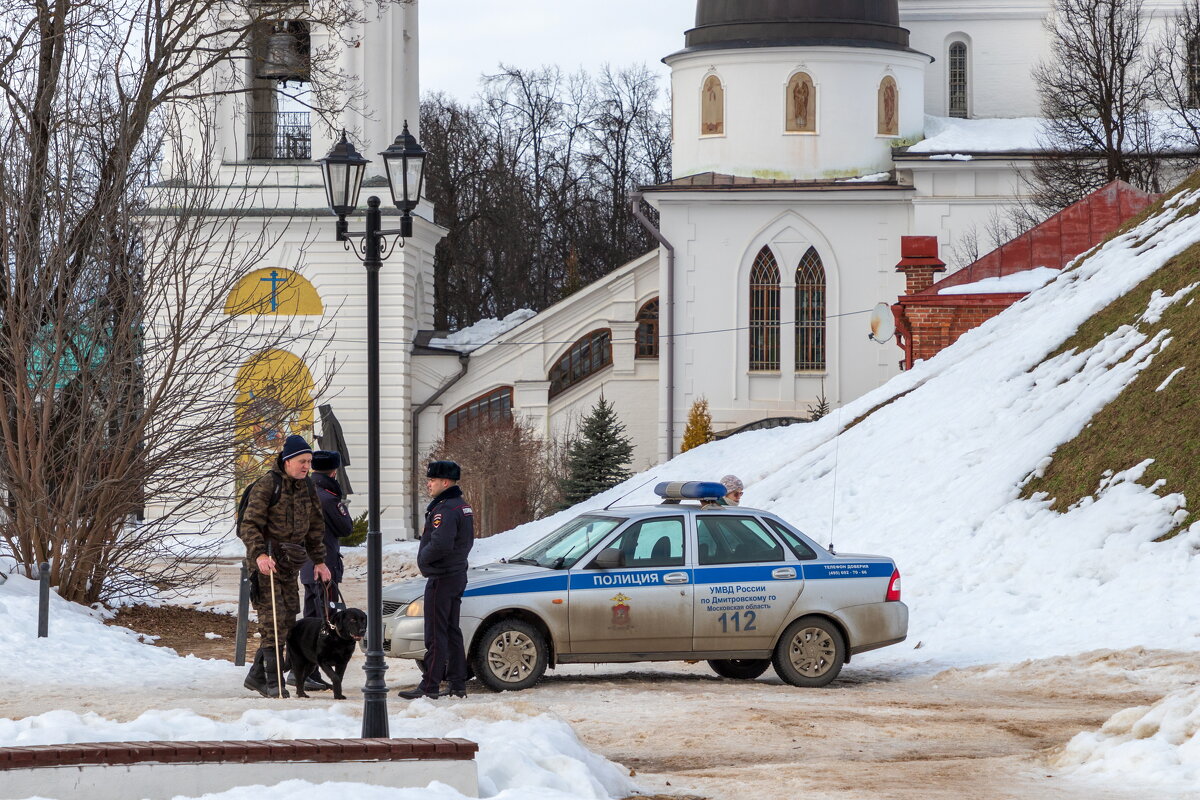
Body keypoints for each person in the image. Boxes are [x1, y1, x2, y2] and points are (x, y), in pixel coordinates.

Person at [239, 434, 330, 698]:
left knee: (289, 620)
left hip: (290, 564)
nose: (306, 466)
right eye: (302, 461)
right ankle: (272, 681)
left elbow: (315, 526)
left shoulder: (308, 487)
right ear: (288, 460)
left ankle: (256, 676)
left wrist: (320, 560)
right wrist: (258, 555)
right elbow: (249, 524)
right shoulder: (268, 485)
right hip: (266, 564)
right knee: (272, 620)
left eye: (309, 462)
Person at [398, 460, 474, 700]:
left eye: (432, 480)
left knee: (435, 632)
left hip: (442, 577)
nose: (428, 484)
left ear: (445, 482)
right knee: (451, 630)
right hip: (456, 574)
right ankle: (457, 682)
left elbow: (441, 543)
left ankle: (430, 684)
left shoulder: (445, 510)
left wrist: (423, 560)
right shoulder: (461, 506)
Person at [291, 449, 353, 691]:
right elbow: (346, 528)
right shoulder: (327, 497)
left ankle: (306, 672)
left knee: (311, 619)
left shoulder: (304, 492)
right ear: (334, 471)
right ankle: (308, 673)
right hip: (324, 567)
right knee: (325, 622)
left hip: (307, 567)